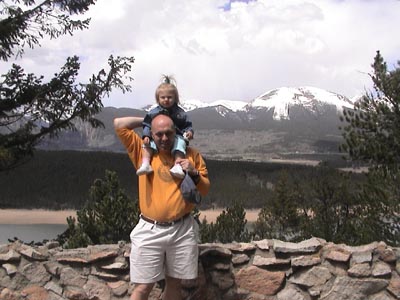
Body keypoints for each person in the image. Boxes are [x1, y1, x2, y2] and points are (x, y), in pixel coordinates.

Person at [113, 113, 210, 300]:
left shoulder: (191, 155)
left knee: (174, 285)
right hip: (150, 229)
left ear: (176, 132)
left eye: (168, 133)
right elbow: (119, 124)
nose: (164, 138)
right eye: (159, 134)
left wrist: (194, 172)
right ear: (151, 133)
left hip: (181, 230)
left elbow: (204, 189)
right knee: (143, 287)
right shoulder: (143, 152)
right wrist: (150, 118)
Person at [136, 75, 194, 179]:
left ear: (175, 98)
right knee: (146, 146)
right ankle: (145, 163)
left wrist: (189, 132)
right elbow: (147, 124)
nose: (166, 100)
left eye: (169, 97)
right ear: (158, 99)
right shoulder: (153, 113)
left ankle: (177, 165)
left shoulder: (180, 113)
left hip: (177, 137)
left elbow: (187, 124)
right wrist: (146, 135)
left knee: (180, 145)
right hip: (156, 138)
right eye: (163, 97)